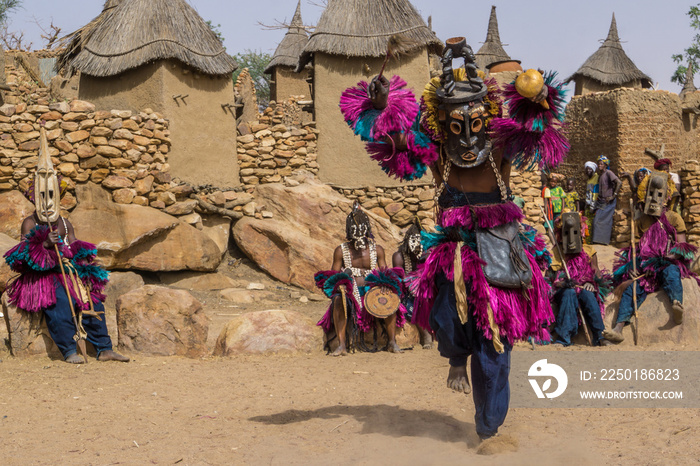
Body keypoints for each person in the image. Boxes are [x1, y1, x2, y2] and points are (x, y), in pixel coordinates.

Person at [339, 37, 567, 440]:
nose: (466, 135)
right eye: (456, 125)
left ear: (487, 117)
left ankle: (488, 428)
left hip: (501, 249)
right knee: (447, 312)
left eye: (474, 123)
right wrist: (379, 107)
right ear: (443, 123)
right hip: (456, 248)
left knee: (495, 346)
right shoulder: (438, 152)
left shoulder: (500, 147)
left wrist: (537, 99)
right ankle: (455, 358)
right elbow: (393, 143)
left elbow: (535, 128)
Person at [3, 129, 129, 364]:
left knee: (92, 301)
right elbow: (21, 258)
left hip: (69, 272)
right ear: (34, 197)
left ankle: (104, 348)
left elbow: (74, 247)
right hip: (44, 277)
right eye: (43, 195)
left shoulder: (64, 222)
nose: (48, 200)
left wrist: (84, 264)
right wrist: (44, 245)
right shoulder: (29, 222)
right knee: (59, 303)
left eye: (52, 194)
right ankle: (69, 350)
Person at [604, 172, 699, 343]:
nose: (654, 198)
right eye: (651, 194)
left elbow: (682, 246)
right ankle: (618, 328)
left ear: (667, 198)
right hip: (646, 266)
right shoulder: (642, 221)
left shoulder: (673, 218)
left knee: (671, 274)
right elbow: (636, 249)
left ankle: (677, 303)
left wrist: (666, 257)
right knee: (632, 288)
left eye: (659, 195)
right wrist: (634, 267)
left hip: (667, 262)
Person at [315, 203, 406, 356]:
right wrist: (340, 286)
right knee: (338, 300)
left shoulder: (377, 249)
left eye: (361, 229)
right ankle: (342, 345)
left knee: (389, 295)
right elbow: (332, 276)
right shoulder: (341, 250)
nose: (358, 233)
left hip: (372, 291)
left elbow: (384, 271)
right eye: (354, 230)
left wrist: (385, 284)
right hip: (351, 294)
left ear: (367, 230)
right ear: (349, 231)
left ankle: (392, 342)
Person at [546, 214, 611, 346]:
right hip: (563, 290)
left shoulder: (588, 250)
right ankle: (564, 338)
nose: (570, 239)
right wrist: (562, 283)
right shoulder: (556, 252)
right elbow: (548, 279)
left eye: (574, 232)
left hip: (583, 287)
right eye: (566, 233)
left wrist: (591, 282)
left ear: (581, 232)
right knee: (569, 294)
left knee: (588, 295)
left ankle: (600, 335)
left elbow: (596, 272)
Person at [392, 221, 433, 349]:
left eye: (419, 240)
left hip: (427, 289)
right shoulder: (399, 256)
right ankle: (425, 334)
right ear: (407, 241)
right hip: (408, 294)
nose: (416, 244)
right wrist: (413, 285)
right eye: (413, 240)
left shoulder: (428, 254)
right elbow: (399, 279)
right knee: (418, 302)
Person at [592, 155, 621, 245]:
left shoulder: (609, 173)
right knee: (597, 220)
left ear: (605, 165)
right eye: (599, 164)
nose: (600, 165)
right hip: (601, 202)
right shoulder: (601, 175)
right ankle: (598, 241)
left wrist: (613, 195)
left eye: (601, 164)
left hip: (608, 202)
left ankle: (603, 241)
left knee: (605, 221)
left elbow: (619, 182)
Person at [583, 161, 599, 244]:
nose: (588, 171)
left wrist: (593, 206)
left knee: (589, 223)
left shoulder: (596, 178)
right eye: (587, 169)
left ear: (593, 170)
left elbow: (595, 193)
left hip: (593, 205)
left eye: (590, 169)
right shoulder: (589, 179)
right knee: (586, 223)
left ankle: (590, 242)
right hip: (588, 204)